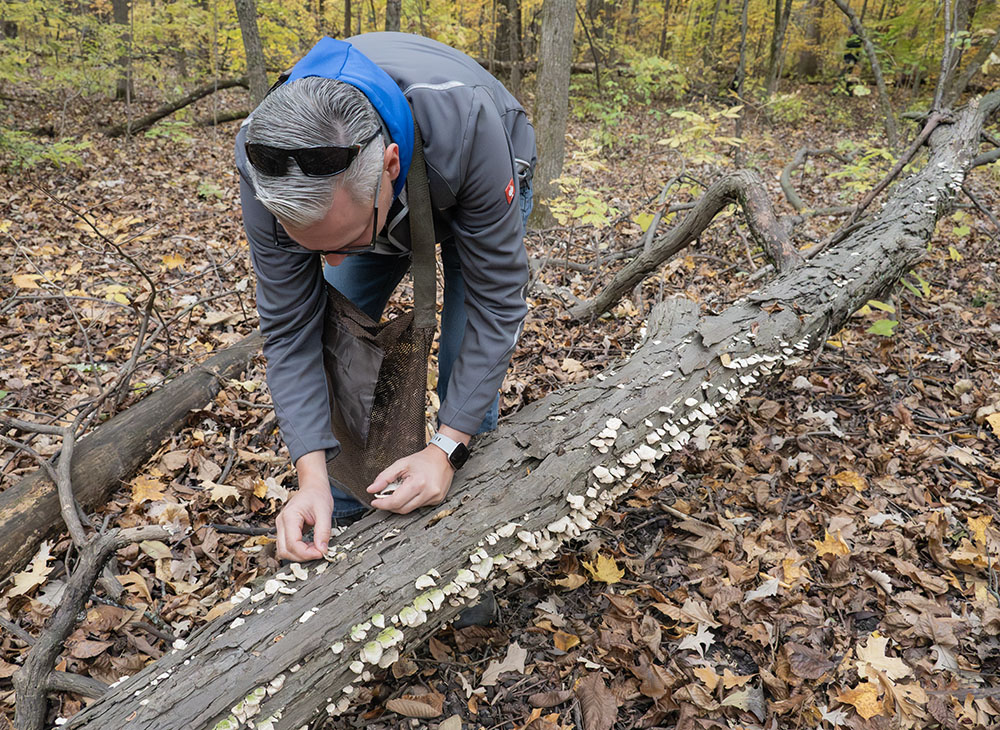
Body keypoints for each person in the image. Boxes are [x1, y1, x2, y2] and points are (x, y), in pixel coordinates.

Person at [235, 32, 536, 563]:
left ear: (390, 167)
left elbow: (498, 303)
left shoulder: (465, 123)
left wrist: (446, 446)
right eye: (315, 249)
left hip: (469, 177)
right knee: (342, 343)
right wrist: (309, 474)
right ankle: (345, 506)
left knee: (465, 357)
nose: (330, 264)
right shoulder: (265, 160)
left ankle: (464, 538)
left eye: (345, 244)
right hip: (370, 206)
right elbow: (290, 330)